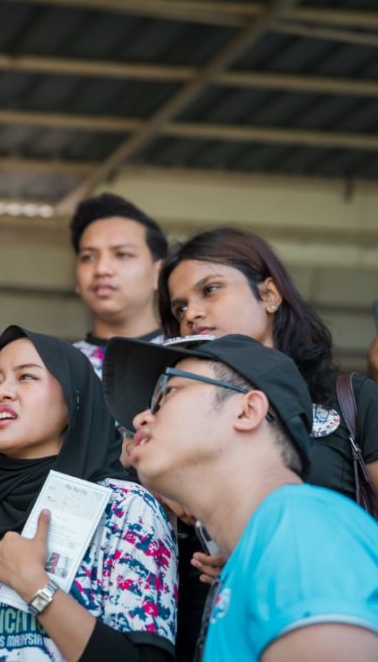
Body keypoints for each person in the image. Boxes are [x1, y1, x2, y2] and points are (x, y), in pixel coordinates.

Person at [154, 226, 378, 660]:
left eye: (210, 290)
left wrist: (268, 555)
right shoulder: (177, 422)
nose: (192, 313)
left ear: (270, 295)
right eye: (180, 307)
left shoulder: (353, 399)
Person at [102, 333, 378, 662]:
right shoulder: (262, 550)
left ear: (247, 411)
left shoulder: (299, 532)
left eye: (169, 392)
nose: (140, 419)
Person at [0, 327, 177, 661]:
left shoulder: (125, 511)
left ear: (73, 400)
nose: (1, 392)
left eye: (26, 376)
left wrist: (35, 586)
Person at [68, 193, 168, 379]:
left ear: (159, 273)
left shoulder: (189, 358)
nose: (101, 269)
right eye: (88, 257)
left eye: (122, 254)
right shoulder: (58, 368)